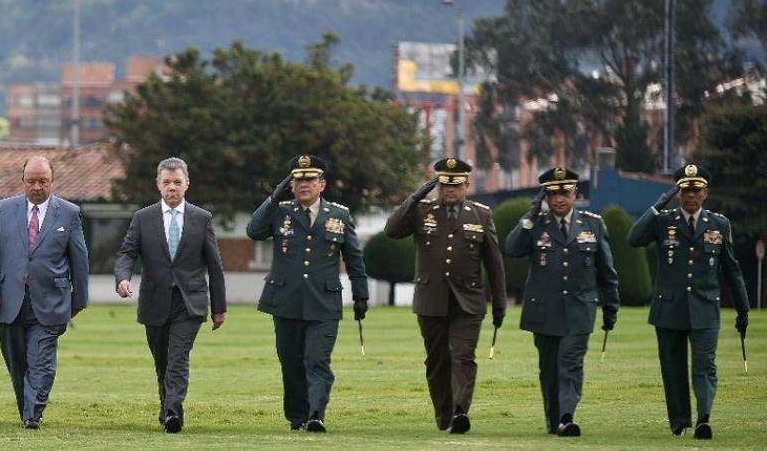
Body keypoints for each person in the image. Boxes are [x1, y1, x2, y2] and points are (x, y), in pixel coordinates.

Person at [246, 154, 368, 433]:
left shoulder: (339, 215)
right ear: (290, 184)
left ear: (322, 184)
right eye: (298, 179)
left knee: (317, 360)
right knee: (291, 363)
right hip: (285, 301)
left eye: (310, 179)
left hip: (323, 302)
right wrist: (272, 199)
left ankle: (316, 415)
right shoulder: (280, 211)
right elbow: (253, 231)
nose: (304, 184)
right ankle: (297, 417)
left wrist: (361, 296)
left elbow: (354, 259)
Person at [385, 157, 506, 434]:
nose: (449, 190)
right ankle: (445, 415)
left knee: (462, 355)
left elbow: (494, 263)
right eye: (444, 185)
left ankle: (461, 411)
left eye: (455, 185)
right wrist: (414, 197)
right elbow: (391, 231)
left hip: (468, 301)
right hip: (431, 299)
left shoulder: (481, 214)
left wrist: (499, 304)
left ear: (466, 184)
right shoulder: (421, 210)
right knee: (437, 360)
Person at [628, 163, 749, 440]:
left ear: (705, 192)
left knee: (704, 366)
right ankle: (680, 421)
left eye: (695, 190)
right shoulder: (663, 221)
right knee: (673, 369)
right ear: (678, 192)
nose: (690, 196)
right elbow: (633, 239)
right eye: (684, 190)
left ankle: (703, 418)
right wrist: (656, 206)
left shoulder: (719, 224)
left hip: (705, 306)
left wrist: (743, 310)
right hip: (668, 307)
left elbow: (732, 270)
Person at [114, 157, 227, 433]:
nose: (172, 187)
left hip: (190, 303)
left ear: (187, 184)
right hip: (155, 301)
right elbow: (127, 253)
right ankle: (167, 408)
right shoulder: (143, 218)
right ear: (158, 184)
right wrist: (123, 278)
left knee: (178, 357)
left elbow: (214, 264)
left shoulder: (202, 219)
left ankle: (174, 412)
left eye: (177, 182)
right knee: (162, 360)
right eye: (167, 182)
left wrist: (219, 307)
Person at [505, 167, 619, 437]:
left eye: (565, 192)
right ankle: (553, 418)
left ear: (575, 193)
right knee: (549, 368)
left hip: (580, 308)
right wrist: (530, 213)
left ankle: (567, 416)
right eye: (553, 193)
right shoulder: (537, 223)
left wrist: (611, 306)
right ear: (545, 195)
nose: (559, 198)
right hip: (543, 310)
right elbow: (511, 248)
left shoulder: (593, 223)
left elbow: (607, 270)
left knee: (571, 362)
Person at [0, 156, 90, 429]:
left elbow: (79, 259)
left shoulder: (68, 213)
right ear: (23, 181)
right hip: (9, 299)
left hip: (51, 301)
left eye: (43, 181)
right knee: (17, 362)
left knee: (41, 360)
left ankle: (33, 414)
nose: (37, 187)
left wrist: (79, 300)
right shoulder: (5, 209)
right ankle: (26, 408)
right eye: (32, 181)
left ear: (52, 181)